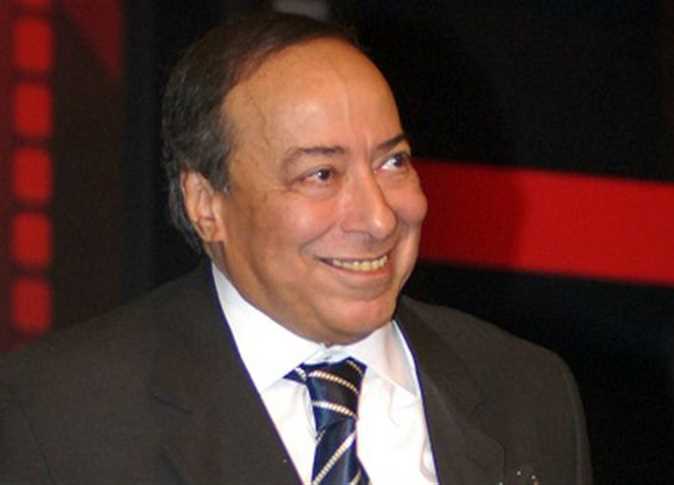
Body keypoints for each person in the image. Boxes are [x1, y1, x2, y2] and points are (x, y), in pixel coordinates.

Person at [0, 11, 592, 485]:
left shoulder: (528, 393)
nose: (379, 218)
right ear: (207, 204)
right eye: (320, 175)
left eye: (392, 162)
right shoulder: (58, 417)